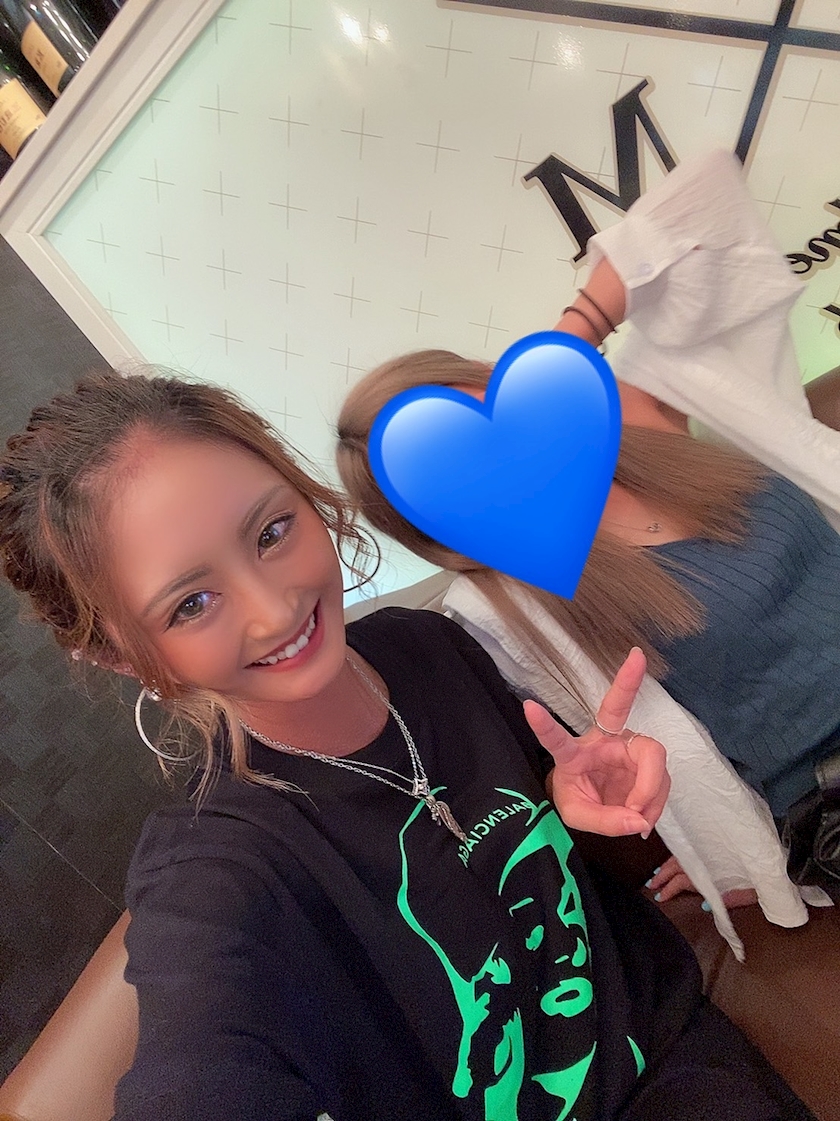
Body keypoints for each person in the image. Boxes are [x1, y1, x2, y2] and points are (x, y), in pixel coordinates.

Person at [0, 369, 816, 1119]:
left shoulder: (430, 645)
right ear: (118, 654)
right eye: (191, 603)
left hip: (677, 1060)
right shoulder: (218, 869)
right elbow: (200, 1061)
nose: (275, 610)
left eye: (272, 530)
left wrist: (563, 794)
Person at [336, 149, 840, 930]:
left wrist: (577, 333)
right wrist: (737, 850)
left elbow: (708, 193)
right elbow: (601, 758)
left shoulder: (634, 412)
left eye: (478, 411)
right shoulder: (515, 608)